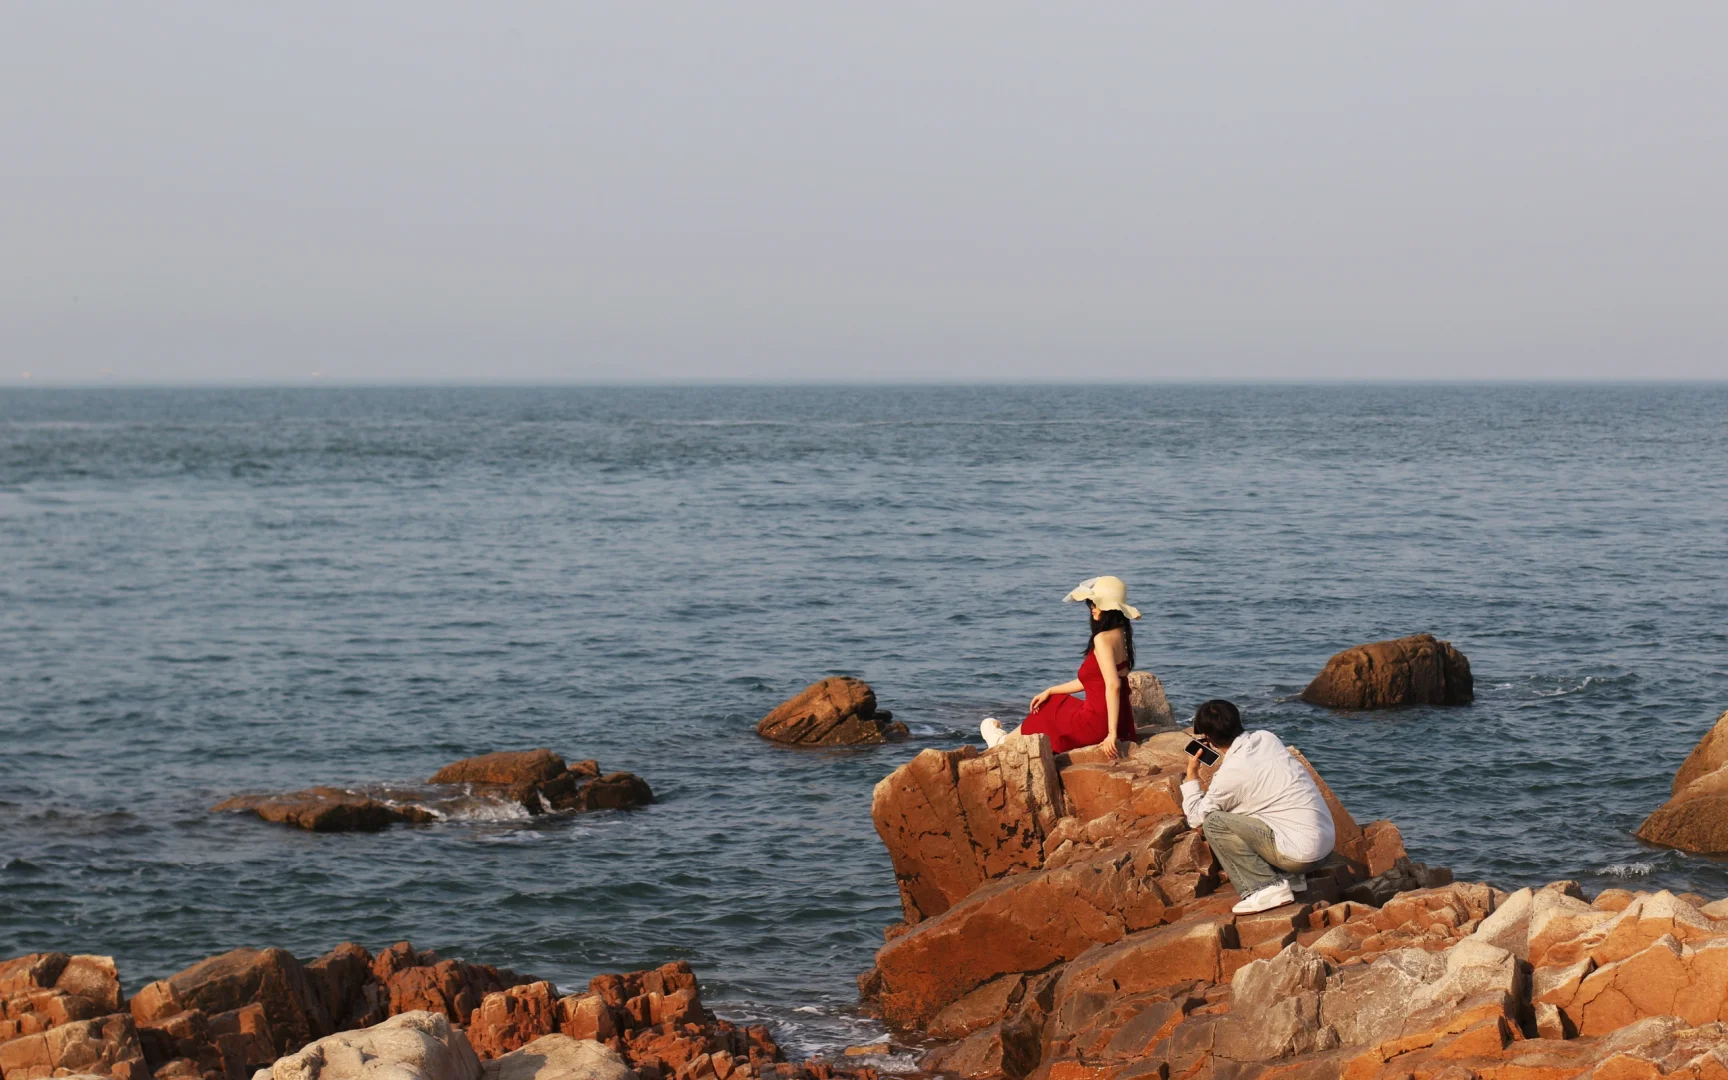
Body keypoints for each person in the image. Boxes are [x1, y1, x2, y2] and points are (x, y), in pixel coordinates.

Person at [1181, 699, 1336, 915]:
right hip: (1327, 847)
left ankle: (1265, 887)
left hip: (1299, 857)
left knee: (1215, 822)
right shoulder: (1267, 738)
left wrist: (1191, 774)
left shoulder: (1231, 774)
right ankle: (1291, 878)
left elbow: (1195, 818)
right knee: (1259, 807)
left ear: (1208, 739)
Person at [980, 575, 1139, 758]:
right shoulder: (1122, 634)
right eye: (1091, 604)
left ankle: (1002, 743)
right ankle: (1005, 740)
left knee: (1048, 708)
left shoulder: (1102, 639)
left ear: (1109, 608)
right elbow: (1092, 681)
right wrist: (1051, 689)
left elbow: (1113, 686)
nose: (1092, 609)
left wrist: (1111, 734)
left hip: (1098, 724)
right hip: (1121, 721)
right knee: (1055, 699)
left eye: (1096, 604)